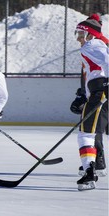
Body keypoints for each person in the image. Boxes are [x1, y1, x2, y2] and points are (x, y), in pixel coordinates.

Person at [70, 13, 108, 177]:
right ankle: (93, 166)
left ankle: (94, 166)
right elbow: (89, 73)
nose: (79, 38)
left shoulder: (94, 45)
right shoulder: (94, 45)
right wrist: (82, 94)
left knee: (89, 132)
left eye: (81, 34)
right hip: (97, 90)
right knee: (91, 130)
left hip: (101, 91)